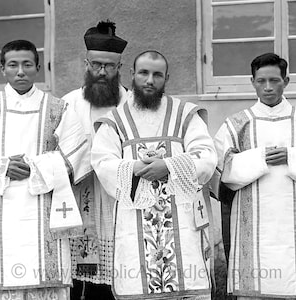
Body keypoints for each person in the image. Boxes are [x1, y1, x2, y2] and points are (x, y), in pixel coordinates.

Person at [91, 50, 217, 300]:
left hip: (184, 222)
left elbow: (206, 155)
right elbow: (102, 162)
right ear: (132, 74)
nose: (150, 80)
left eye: (157, 74)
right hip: (133, 220)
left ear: (166, 78)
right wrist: (135, 168)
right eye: (144, 73)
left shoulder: (185, 115)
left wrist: (168, 166)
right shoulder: (116, 120)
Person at [0, 40, 90, 299]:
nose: (20, 71)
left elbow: (78, 153)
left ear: (39, 68)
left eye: (27, 64)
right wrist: (2, 167)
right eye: (13, 65)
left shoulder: (58, 108)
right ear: (2, 68)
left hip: (45, 210)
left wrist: (35, 167)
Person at [214, 53, 296, 299]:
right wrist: (259, 159)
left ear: (286, 81)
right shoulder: (237, 124)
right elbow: (220, 169)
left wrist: (290, 157)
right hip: (250, 225)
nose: (268, 87)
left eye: (274, 80)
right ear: (252, 82)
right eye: (261, 81)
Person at [62, 20, 128, 300]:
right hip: (81, 197)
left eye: (109, 67)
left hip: (120, 200)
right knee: (83, 279)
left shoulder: (132, 104)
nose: (102, 72)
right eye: (96, 65)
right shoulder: (67, 104)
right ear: (85, 64)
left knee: (122, 270)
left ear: (119, 69)